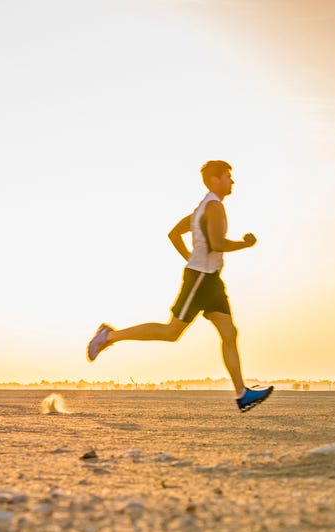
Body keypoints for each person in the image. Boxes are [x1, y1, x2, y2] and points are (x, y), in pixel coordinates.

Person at [86, 160, 273, 412]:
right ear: (214, 180)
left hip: (210, 279)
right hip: (200, 280)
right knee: (171, 332)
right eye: (228, 176)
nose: (232, 181)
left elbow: (174, 234)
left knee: (230, 334)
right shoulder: (214, 207)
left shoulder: (202, 208)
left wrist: (191, 257)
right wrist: (245, 244)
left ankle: (242, 394)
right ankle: (109, 336)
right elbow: (217, 243)